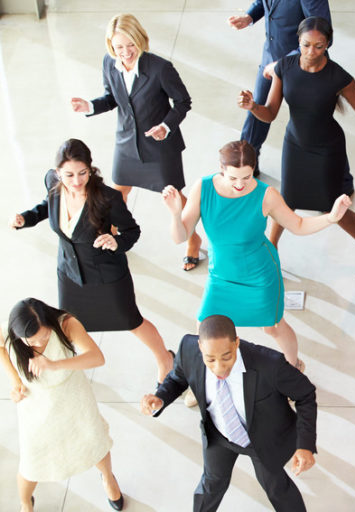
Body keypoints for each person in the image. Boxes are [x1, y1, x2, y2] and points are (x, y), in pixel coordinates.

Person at [161, 140, 350, 370]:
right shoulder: (203, 188)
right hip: (221, 276)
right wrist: (175, 214)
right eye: (233, 178)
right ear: (222, 169)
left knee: (272, 326)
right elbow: (181, 237)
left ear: (254, 170)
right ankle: (205, 379)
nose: (240, 184)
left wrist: (331, 218)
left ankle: (294, 369)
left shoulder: (266, 194)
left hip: (259, 276)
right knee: (205, 328)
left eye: (246, 177)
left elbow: (298, 225)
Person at [238, 16, 355, 280]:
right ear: (298, 41)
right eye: (307, 44)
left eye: (319, 46)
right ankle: (269, 252)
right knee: (286, 201)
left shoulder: (339, 76)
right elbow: (271, 113)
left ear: (328, 44)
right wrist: (253, 107)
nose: (311, 52)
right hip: (295, 144)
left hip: (326, 149)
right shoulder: (284, 68)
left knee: (332, 208)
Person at [9, 139, 174, 384]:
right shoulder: (53, 183)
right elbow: (47, 205)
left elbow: (132, 231)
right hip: (69, 273)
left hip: (106, 274)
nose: (76, 181)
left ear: (90, 168)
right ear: (57, 173)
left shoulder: (107, 197)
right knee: (70, 325)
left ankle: (166, 360)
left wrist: (116, 241)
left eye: (82, 173)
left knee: (131, 321)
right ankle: (71, 366)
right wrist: (26, 218)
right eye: (69, 175)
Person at [140, 314, 317, 512]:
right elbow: (177, 378)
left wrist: (305, 445)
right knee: (211, 485)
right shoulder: (187, 349)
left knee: (276, 487)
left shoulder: (270, 364)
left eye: (227, 357)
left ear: (236, 343)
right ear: (200, 347)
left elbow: (306, 395)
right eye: (210, 359)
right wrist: (161, 397)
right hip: (219, 435)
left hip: (263, 439)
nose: (219, 367)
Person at [70, 13, 202, 271]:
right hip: (127, 143)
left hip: (160, 146)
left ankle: (193, 240)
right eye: (118, 47)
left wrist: (166, 126)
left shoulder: (160, 68)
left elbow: (183, 102)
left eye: (130, 45)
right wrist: (90, 106)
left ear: (140, 40)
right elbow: (111, 98)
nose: (125, 52)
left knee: (173, 197)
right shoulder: (110, 63)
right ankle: (115, 239)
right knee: (116, 194)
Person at [1, 298, 124, 511]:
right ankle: (25, 502)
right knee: (32, 461)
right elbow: (2, 349)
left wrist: (55, 365)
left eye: (44, 337)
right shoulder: (12, 333)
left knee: (94, 441)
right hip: (35, 404)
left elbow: (97, 358)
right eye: (30, 342)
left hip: (73, 396)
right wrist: (16, 382)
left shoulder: (66, 324)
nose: (38, 344)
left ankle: (107, 477)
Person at [228, 0, 331, 172]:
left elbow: (324, 34)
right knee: (256, 111)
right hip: (270, 57)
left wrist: (282, 64)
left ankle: (341, 179)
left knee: (312, 124)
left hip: (303, 66)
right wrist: (249, 17)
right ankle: (246, 165)